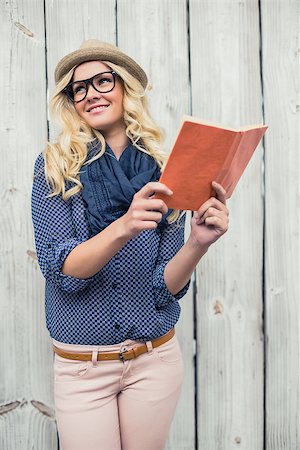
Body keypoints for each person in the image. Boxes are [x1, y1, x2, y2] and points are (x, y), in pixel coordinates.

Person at [31, 40, 229, 450]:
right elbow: (61, 268)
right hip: (84, 368)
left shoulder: (166, 169)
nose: (91, 94)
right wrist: (123, 225)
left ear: (125, 89)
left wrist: (198, 243)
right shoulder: (54, 166)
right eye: (79, 88)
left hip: (154, 360)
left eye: (103, 80)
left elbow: (164, 286)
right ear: (71, 101)